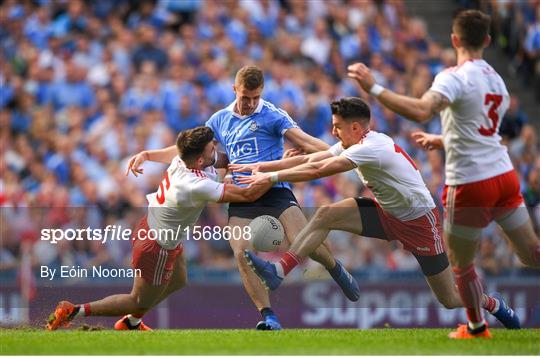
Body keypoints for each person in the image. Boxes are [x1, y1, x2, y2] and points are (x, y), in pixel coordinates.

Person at [232, 97, 519, 331]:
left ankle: (492, 304)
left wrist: (271, 179)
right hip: (385, 212)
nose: (333, 133)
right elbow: (311, 158)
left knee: (449, 298)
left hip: (418, 222)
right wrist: (260, 168)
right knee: (324, 215)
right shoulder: (354, 142)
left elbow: (319, 170)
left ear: (356, 127)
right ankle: (279, 270)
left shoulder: (371, 148)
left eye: (337, 127)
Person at [346, 10, 539, 338]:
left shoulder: (454, 76)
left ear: (453, 40)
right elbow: (479, 130)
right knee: (532, 253)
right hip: (505, 176)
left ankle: (476, 328)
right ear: (488, 41)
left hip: (470, 183)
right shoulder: (496, 79)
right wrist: (442, 138)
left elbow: (422, 110)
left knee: (461, 265)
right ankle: (477, 324)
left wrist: (374, 88)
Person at [126, 65, 360, 330]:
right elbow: (186, 149)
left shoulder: (272, 115)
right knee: (242, 253)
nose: (250, 103)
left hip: (274, 189)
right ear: (234, 90)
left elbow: (304, 141)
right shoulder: (220, 119)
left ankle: (335, 267)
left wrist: (341, 153)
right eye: (245, 97)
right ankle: (269, 316)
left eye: (256, 98)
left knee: (305, 242)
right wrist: (148, 155)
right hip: (241, 194)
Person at [46, 126, 273, 331]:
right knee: (137, 300)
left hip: (155, 227)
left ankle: (131, 322)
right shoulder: (195, 184)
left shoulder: (185, 157)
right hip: (157, 246)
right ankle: (74, 310)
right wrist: (278, 175)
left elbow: (196, 156)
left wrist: (146, 155)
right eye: (211, 147)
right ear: (200, 160)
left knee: (180, 279)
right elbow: (247, 194)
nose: (215, 147)